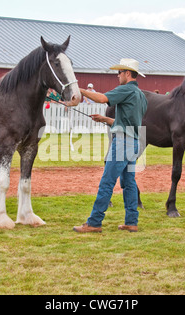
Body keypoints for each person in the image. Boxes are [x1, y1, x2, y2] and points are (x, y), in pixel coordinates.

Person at [73, 58, 148, 233]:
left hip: (122, 143)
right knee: (129, 183)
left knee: (107, 182)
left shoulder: (126, 89)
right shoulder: (141, 96)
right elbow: (129, 122)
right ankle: (131, 222)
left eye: (119, 72)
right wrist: (105, 120)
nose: (117, 76)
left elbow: (101, 98)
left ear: (127, 73)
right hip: (134, 143)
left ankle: (94, 222)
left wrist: (81, 90)